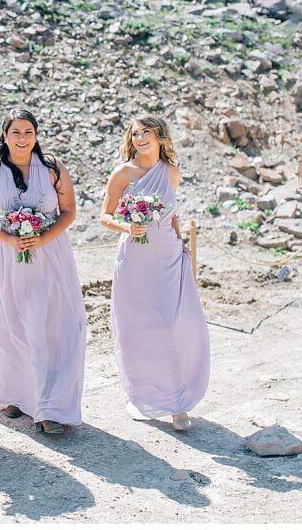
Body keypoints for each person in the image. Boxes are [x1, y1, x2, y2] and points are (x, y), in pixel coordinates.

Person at [0, 109, 86, 435]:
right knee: (9, 326)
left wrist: (42, 237)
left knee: (49, 326)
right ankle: (17, 394)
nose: (22, 138)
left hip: (49, 257)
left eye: (29, 132)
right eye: (16, 132)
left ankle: (48, 407)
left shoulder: (52, 168)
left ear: (36, 134)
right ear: (4, 135)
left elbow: (69, 211)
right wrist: (9, 238)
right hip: (5, 257)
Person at [100, 115, 210, 431]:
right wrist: (127, 226)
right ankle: (145, 395)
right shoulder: (123, 173)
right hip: (135, 257)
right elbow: (104, 216)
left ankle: (177, 403)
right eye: (135, 134)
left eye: (146, 132)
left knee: (173, 326)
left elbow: (172, 214)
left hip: (167, 254)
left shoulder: (171, 172)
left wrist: (181, 244)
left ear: (160, 136)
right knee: (138, 329)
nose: (140, 138)